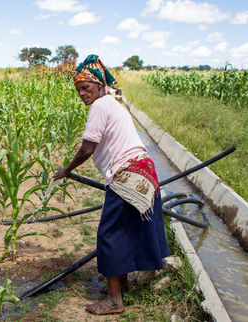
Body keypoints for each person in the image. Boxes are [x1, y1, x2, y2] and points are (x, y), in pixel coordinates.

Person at [53, 54, 169, 315]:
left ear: (99, 85)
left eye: (86, 87)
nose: (82, 94)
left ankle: (115, 301)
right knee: (125, 232)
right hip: (143, 173)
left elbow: (87, 147)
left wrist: (67, 169)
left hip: (127, 175)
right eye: (78, 90)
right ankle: (121, 285)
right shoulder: (113, 104)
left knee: (109, 235)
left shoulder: (100, 106)